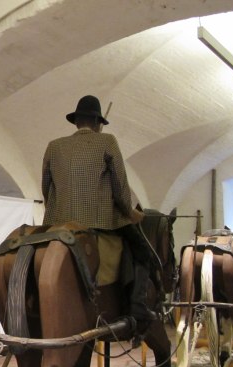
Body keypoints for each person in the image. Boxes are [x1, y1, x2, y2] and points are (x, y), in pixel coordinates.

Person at [41, 95, 157, 339]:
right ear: (97, 122)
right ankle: (138, 309)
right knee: (142, 252)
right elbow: (120, 187)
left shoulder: (54, 145)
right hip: (100, 222)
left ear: (77, 122)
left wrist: (57, 213)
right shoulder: (107, 141)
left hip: (58, 224)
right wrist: (130, 212)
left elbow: (46, 187)